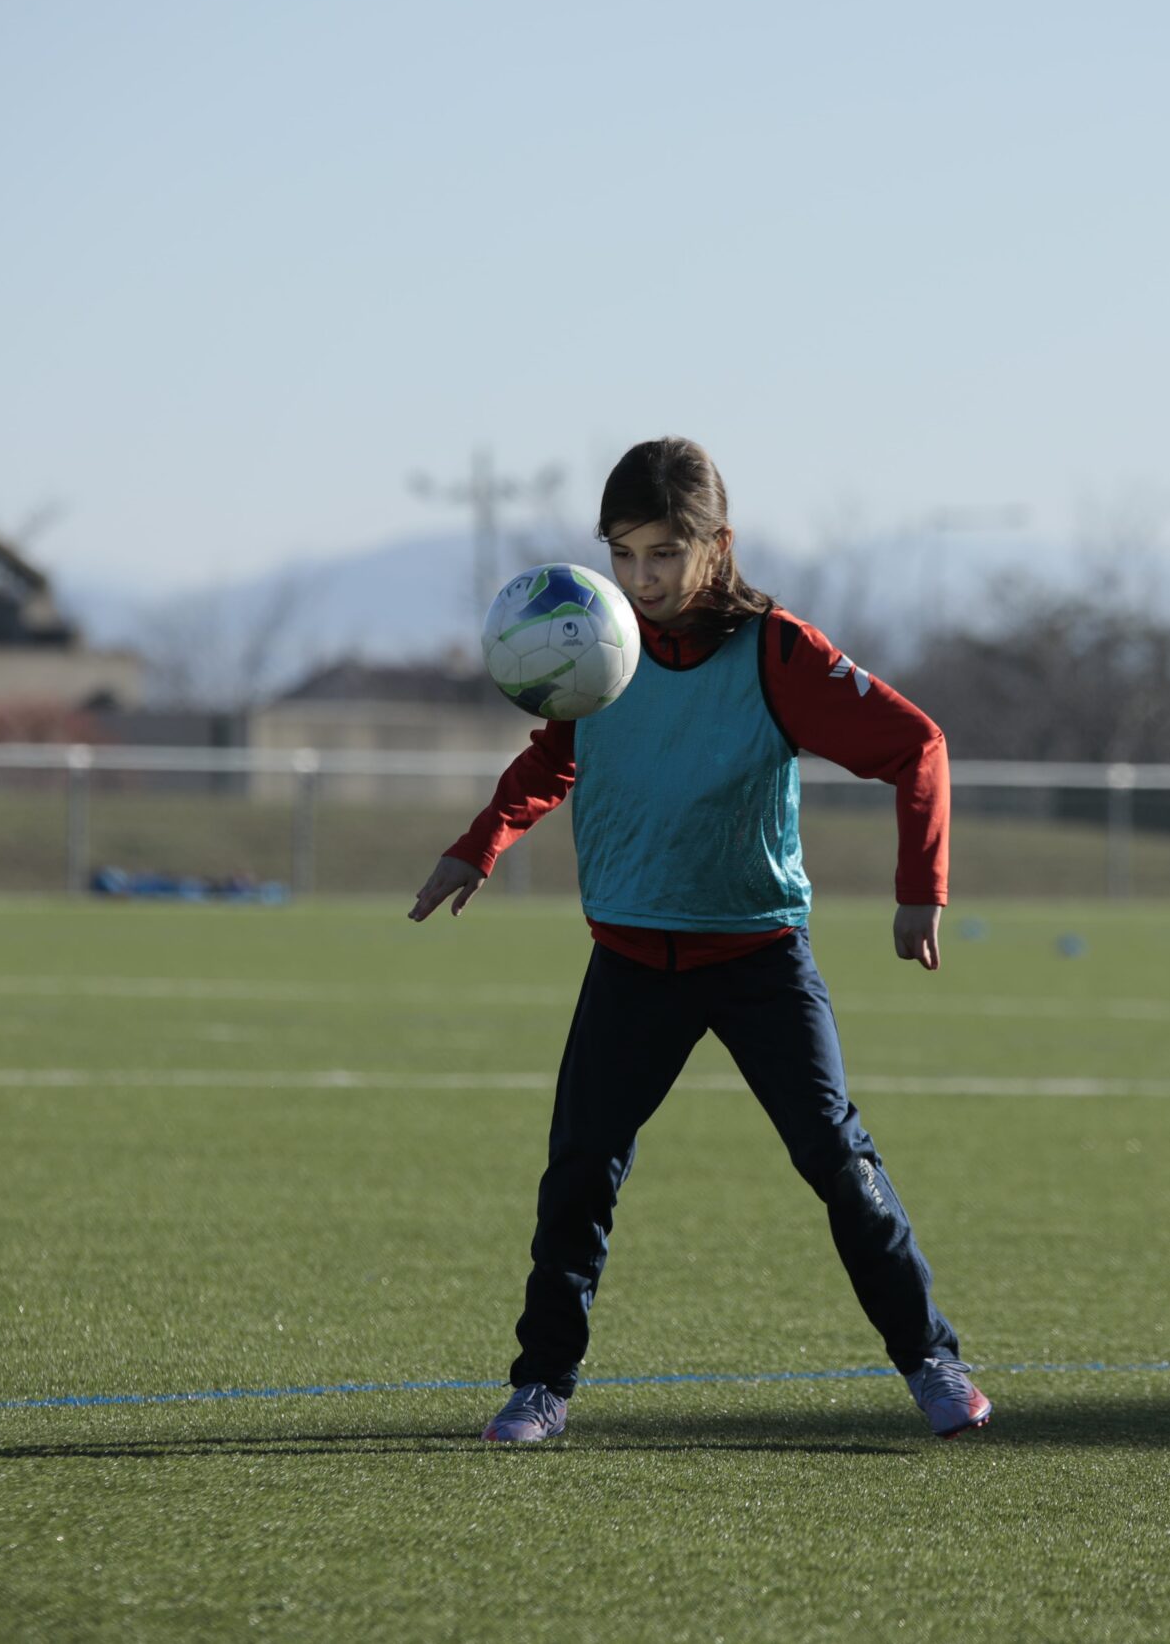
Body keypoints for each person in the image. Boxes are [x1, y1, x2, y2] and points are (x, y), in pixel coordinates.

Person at [409, 437, 990, 1444]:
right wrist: (479, 845)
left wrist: (919, 890)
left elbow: (916, 745)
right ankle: (541, 1385)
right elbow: (556, 755)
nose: (641, 578)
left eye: (664, 554)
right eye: (623, 554)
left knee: (837, 1158)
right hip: (633, 960)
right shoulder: (602, 643)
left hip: (758, 957)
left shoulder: (777, 653)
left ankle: (932, 1359)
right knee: (579, 1172)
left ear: (717, 545)